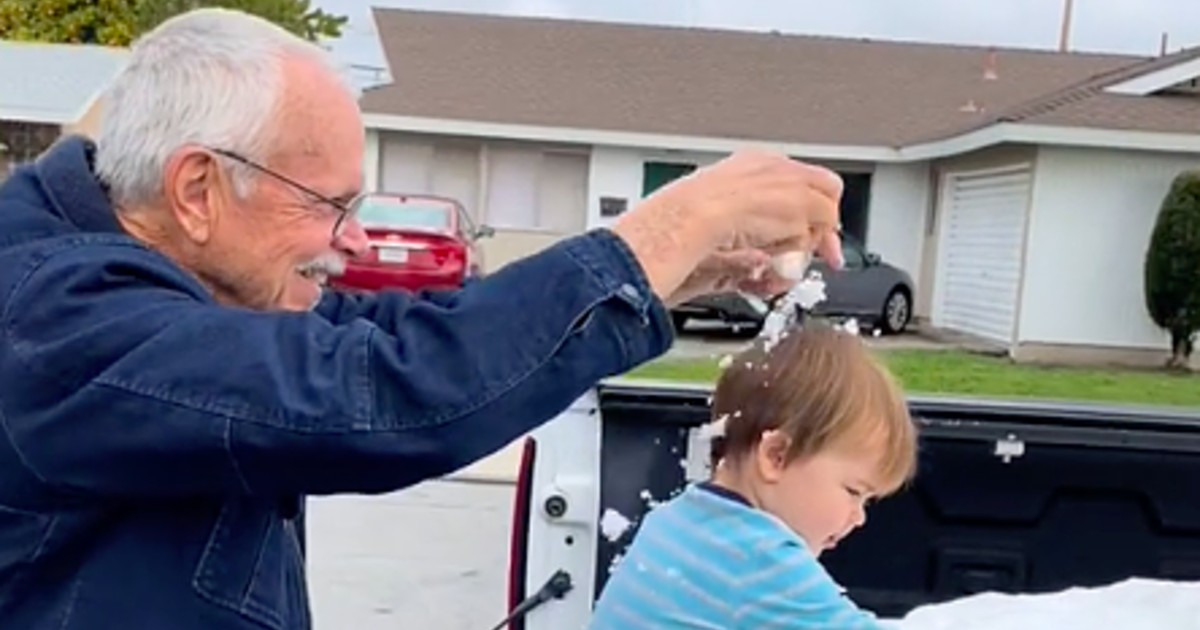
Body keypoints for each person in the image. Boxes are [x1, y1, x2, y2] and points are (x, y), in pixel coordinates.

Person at [0, 7, 846, 630]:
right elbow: (378, 393)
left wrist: (670, 277)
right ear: (197, 191)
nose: (353, 237)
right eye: (327, 202)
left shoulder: (164, 291)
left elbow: (395, 333)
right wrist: (661, 230)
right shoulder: (56, 322)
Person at [588, 323, 918, 629]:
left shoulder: (679, 519)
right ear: (776, 456)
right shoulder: (758, 559)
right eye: (853, 491)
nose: (859, 518)